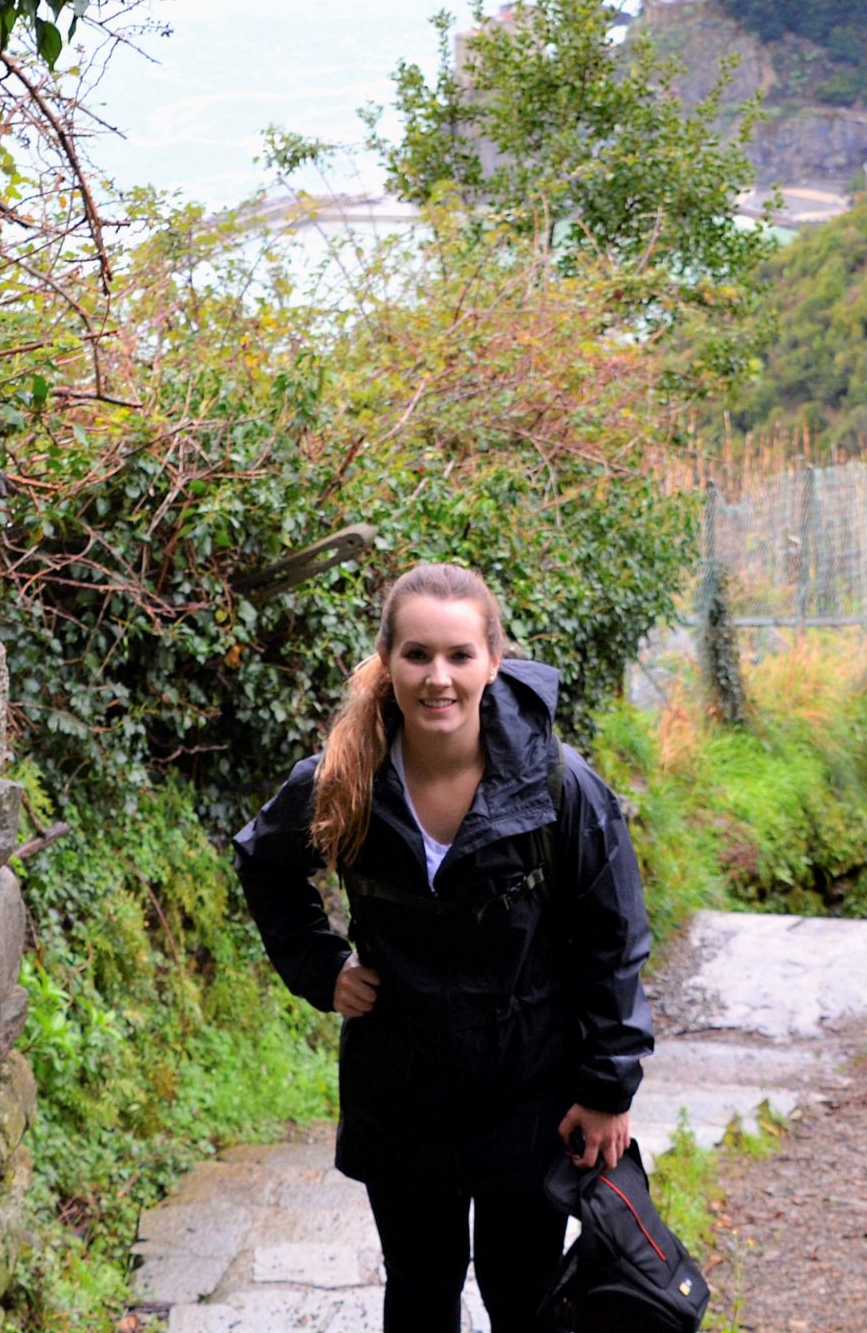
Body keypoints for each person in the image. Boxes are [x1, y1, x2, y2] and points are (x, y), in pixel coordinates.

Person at [234, 561, 654, 1333]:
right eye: (417, 655)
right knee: (421, 1292)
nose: (439, 679)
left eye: (460, 656)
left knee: (523, 1294)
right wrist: (323, 970)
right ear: (386, 661)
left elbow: (614, 941)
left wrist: (606, 1091)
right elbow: (265, 864)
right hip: (400, 1094)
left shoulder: (561, 789)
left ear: (494, 662)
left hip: (531, 1094)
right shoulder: (342, 779)